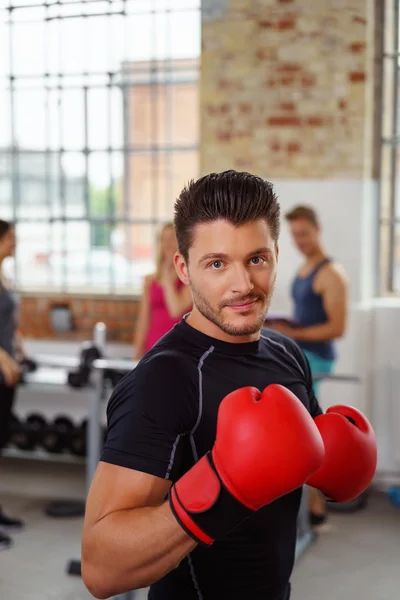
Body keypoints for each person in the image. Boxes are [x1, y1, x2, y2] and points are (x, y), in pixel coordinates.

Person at [81, 171, 376, 600]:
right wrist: (221, 485)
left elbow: (307, 460)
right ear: (183, 268)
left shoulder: (286, 353)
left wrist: (337, 461)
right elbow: (101, 568)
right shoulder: (164, 380)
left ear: (276, 254)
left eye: (256, 259)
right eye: (217, 263)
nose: (243, 285)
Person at [268, 205, 349, 528]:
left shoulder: (331, 274)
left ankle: (316, 501)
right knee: (302, 424)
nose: (299, 241)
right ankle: (313, 505)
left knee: (306, 427)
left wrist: (294, 332)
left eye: (304, 234)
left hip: (317, 357)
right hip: (299, 353)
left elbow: (337, 328)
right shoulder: (305, 268)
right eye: (294, 236)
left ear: (318, 229)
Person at [0, 220, 25, 551]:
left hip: (6, 371)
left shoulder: (4, 277)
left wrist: (19, 347)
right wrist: (4, 360)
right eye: (11, 238)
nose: (15, 243)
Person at [133, 222, 192, 360]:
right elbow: (143, 320)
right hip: (153, 350)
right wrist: (136, 354)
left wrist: (168, 280)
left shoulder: (190, 280)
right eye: (163, 239)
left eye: (173, 238)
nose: (168, 244)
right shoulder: (150, 281)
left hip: (180, 350)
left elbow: (175, 310)